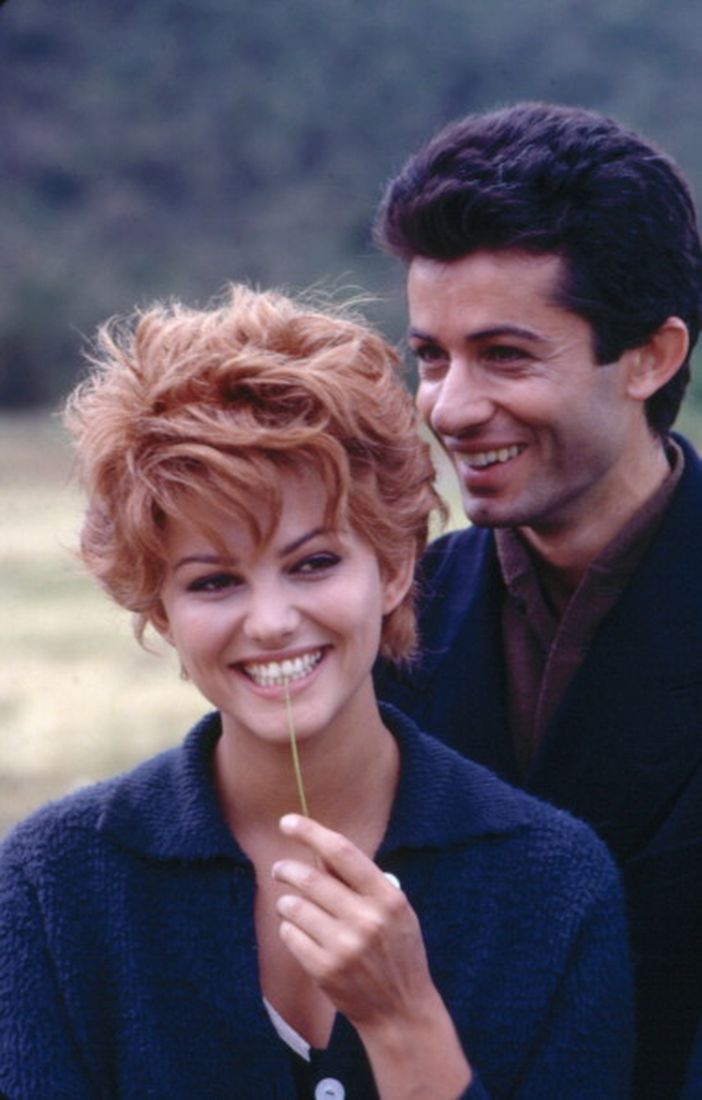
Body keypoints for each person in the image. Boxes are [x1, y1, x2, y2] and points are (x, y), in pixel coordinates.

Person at [0, 285, 631, 1099]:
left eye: (314, 563)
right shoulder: (52, 886)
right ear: (160, 610)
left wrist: (405, 1024)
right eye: (214, 580)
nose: (270, 623)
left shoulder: (554, 884)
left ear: (395, 566)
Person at [372, 100, 702, 1100]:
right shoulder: (392, 614)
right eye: (431, 355)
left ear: (651, 356)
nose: (450, 407)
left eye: (505, 355)